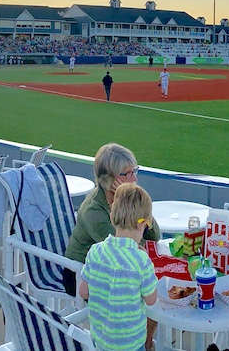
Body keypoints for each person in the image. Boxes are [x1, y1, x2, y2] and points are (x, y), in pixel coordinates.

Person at [64, 144, 160, 348]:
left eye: (135, 171)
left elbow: (155, 235)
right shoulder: (94, 212)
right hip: (81, 272)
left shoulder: (122, 206)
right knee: (143, 292)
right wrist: (135, 209)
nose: (134, 178)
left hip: (104, 269)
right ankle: (139, 342)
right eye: (127, 174)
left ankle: (146, 341)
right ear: (109, 180)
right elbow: (133, 247)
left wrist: (137, 204)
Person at [77, 182, 159, 351]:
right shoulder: (141, 260)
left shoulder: (95, 251)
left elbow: (83, 292)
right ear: (140, 224)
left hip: (100, 342)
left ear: (112, 217)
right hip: (131, 345)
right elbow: (151, 300)